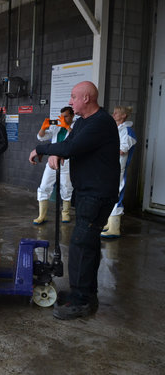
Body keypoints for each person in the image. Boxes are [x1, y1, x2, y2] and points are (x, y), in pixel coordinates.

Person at [29, 81, 120, 320]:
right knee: (86, 243)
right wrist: (57, 151)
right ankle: (86, 291)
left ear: (87, 99)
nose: (70, 102)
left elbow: (74, 146)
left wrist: (41, 149)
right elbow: (70, 144)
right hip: (89, 191)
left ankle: (81, 301)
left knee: (81, 244)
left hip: (97, 193)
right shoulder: (82, 122)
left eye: (73, 97)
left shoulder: (101, 123)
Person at [34, 106, 75, 225]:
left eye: (66, 116)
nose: (63, 118)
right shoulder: (56, 126)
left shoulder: (76, 125)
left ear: (72, 116)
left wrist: (66, 126)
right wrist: (43, 127)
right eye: (62, 116)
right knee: (44, 185)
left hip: (67, 162)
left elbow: (76, 138)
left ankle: (65, 213)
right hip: (52, 160)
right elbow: (41, 137)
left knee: (66, 187)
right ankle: (42, 215)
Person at [101, 106, 137, 238]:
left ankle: (115, 228)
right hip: (110, 166)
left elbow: (122, 150)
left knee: (116, 193)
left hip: (119, 167)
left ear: (124, 116)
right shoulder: (117, 129)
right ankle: (110, 223)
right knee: (110, 194)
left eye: (117, 113)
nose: (114, 114)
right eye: (114, 111)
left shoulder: (128, 131)